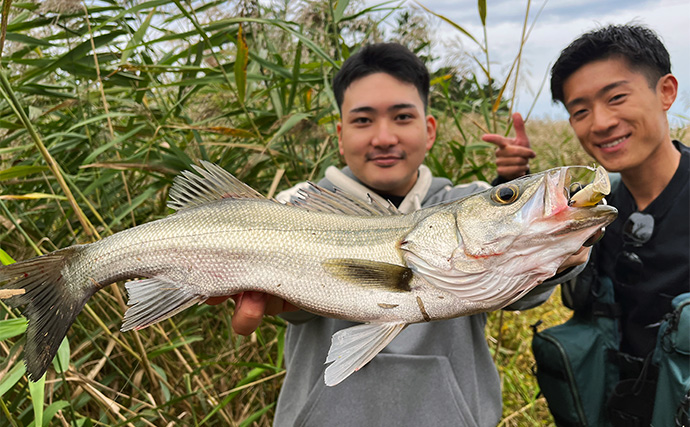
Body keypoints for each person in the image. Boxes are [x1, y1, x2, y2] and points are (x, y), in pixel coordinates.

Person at [210, 42, 588, 426]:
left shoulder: (468, 201)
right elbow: (287, 312)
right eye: (362, 121)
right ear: (340, 134)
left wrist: (552, 254)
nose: (384, 137)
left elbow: (524, 294)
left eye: (402, 117)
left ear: (430, 130)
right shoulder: (293, 209)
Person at [486, 24, 689, 425]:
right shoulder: (588, 207)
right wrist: (509, 189)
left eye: (616, 98)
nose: (599, 123)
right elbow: (506, 274)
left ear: (666, 92)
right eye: (579, 111)